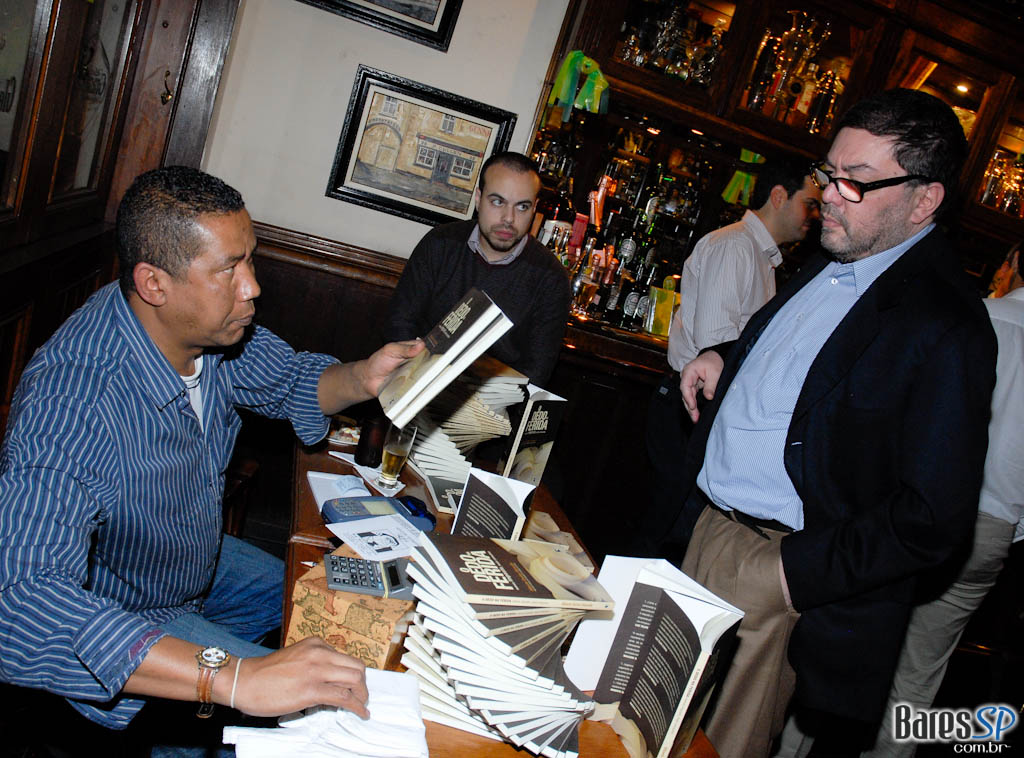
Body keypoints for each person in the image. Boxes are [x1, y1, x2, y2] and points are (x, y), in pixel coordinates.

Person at [0, 166, 424, 748]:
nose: (251, 287)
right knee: (326, 710)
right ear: (154, 283)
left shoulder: (208, 331)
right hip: (131, 613)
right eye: (229, 269)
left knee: (332, 596)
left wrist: (364, 377)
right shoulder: (73, 398)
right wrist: (237, 678)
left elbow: (291, 381)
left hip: (189, 561)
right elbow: (20, 606)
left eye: (249, 260)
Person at [670, 89, 997, 758]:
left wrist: (794, 573)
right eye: (829, 173)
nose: (831, 194)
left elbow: (933, 519)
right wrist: (723, 358)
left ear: (924, 199)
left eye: (858, 182)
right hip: (708, 531)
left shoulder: (947, 324)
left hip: (776, 572)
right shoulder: (835, 254)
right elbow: (813, 370)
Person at [859, 245, 1024, 758]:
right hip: (995, 526)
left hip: (920, 506)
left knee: (850, 648)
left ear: (1013, 263)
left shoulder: (978, 320)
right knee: (919, 677)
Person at [641, 159, 821, 556]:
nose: (815, 214)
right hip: (690, 407)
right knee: (665, 534)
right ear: (778, 196)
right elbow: (717, 347)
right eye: (809, 203)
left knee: (679, 535)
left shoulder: (761, 258)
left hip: (705, 409)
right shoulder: (734, 246)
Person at [385, 151, 571, 386]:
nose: (509, 219)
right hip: (415, 385)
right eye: (497, 202)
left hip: (490, 411)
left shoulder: (550, 278)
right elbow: (399, 325)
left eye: (522, 207)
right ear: (478, 199)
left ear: (534, 209)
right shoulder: (440, 244)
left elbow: (535, 374)